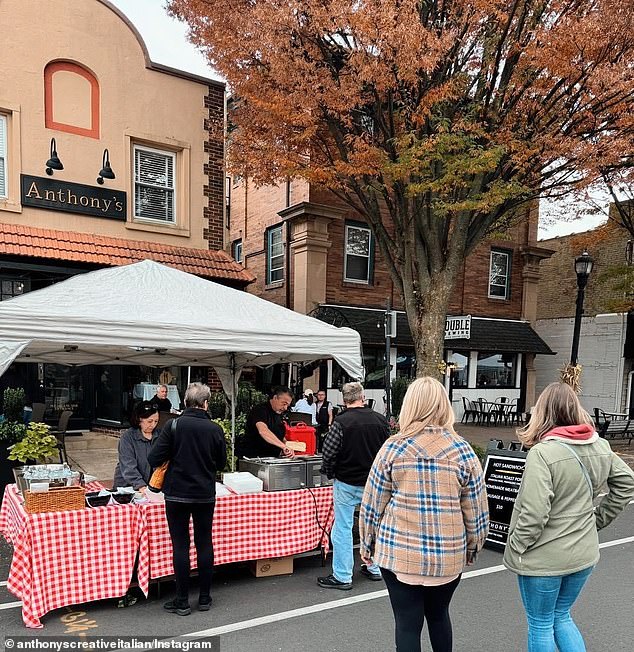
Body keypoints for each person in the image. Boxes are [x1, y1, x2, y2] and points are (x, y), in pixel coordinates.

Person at [359, 377, 488, 652]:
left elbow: (372, 503)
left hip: (399, 553)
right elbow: (477, 511)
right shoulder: (463, 451)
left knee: (406, 624)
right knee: (440, 615)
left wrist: (367, 542)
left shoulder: (393, 448)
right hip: (448, 554)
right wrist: (473, 547)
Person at [503, 382, 634, 652]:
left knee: (540, 623)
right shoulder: (601, 446)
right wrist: (598, 519)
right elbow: (626, 483)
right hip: (583, 554)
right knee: (562, 616)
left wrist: (516, 546)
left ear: (542, 413)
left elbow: (534, 512)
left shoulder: (542, 453)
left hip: (544, 558)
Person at [147, 383, 227, 616]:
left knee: (180, 545)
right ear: (205, 403)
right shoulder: (214, 429)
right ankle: (204, 597)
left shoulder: (173, 425)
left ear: (184, 402)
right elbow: (221, 463)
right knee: (204, 543)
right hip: (204, 493)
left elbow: (154, 457)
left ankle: (181, 600)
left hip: (176, 494)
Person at [318, 381, 390, 590]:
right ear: (363, 397)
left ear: (344, 399)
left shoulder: (341, 422)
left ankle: (342, 575)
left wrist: (330, 473)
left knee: (343, 528)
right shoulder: (380, 420)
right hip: (374, 483)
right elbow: (388, 453)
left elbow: (329, 453)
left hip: (347, 481)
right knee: (374, 526)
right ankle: (375, 567)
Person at [112, 401, 160, 493]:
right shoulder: (128, 437)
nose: (153, 425)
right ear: (139, 419)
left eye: (156, 421)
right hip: (127, 487)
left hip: (151, 487)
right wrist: (141, 486)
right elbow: (128, 466)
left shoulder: (160, 435)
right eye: (149, 421)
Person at [239, 386, 294, 458]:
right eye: (284, 403)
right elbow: (263, 431)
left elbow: (279, 434)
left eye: (287, 405)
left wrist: (287, 446)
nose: (285, 408)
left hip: (272, 457)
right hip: (255, 457)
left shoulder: (278, 414)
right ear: (275, 398)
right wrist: (283, 446)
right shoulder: (260, 410)